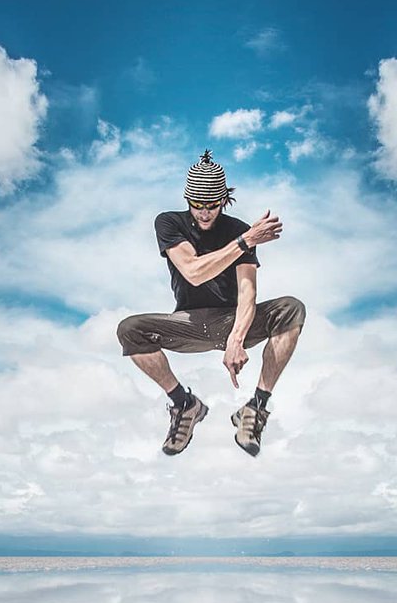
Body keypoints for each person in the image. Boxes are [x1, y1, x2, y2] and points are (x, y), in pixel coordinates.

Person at [117, 150, 306, 457]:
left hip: (232, 320)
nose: (204, 213)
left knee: (291, 308)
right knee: (129, 329)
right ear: (188, 200)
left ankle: (256, 408)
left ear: (224, 200)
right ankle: (184, 405)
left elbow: (248, 293)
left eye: (212, 205)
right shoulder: (169, 223)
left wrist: (237, 339)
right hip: (188, 323)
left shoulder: (237, 230)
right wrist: (246, 242)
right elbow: (193, 272)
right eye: (197, 205)